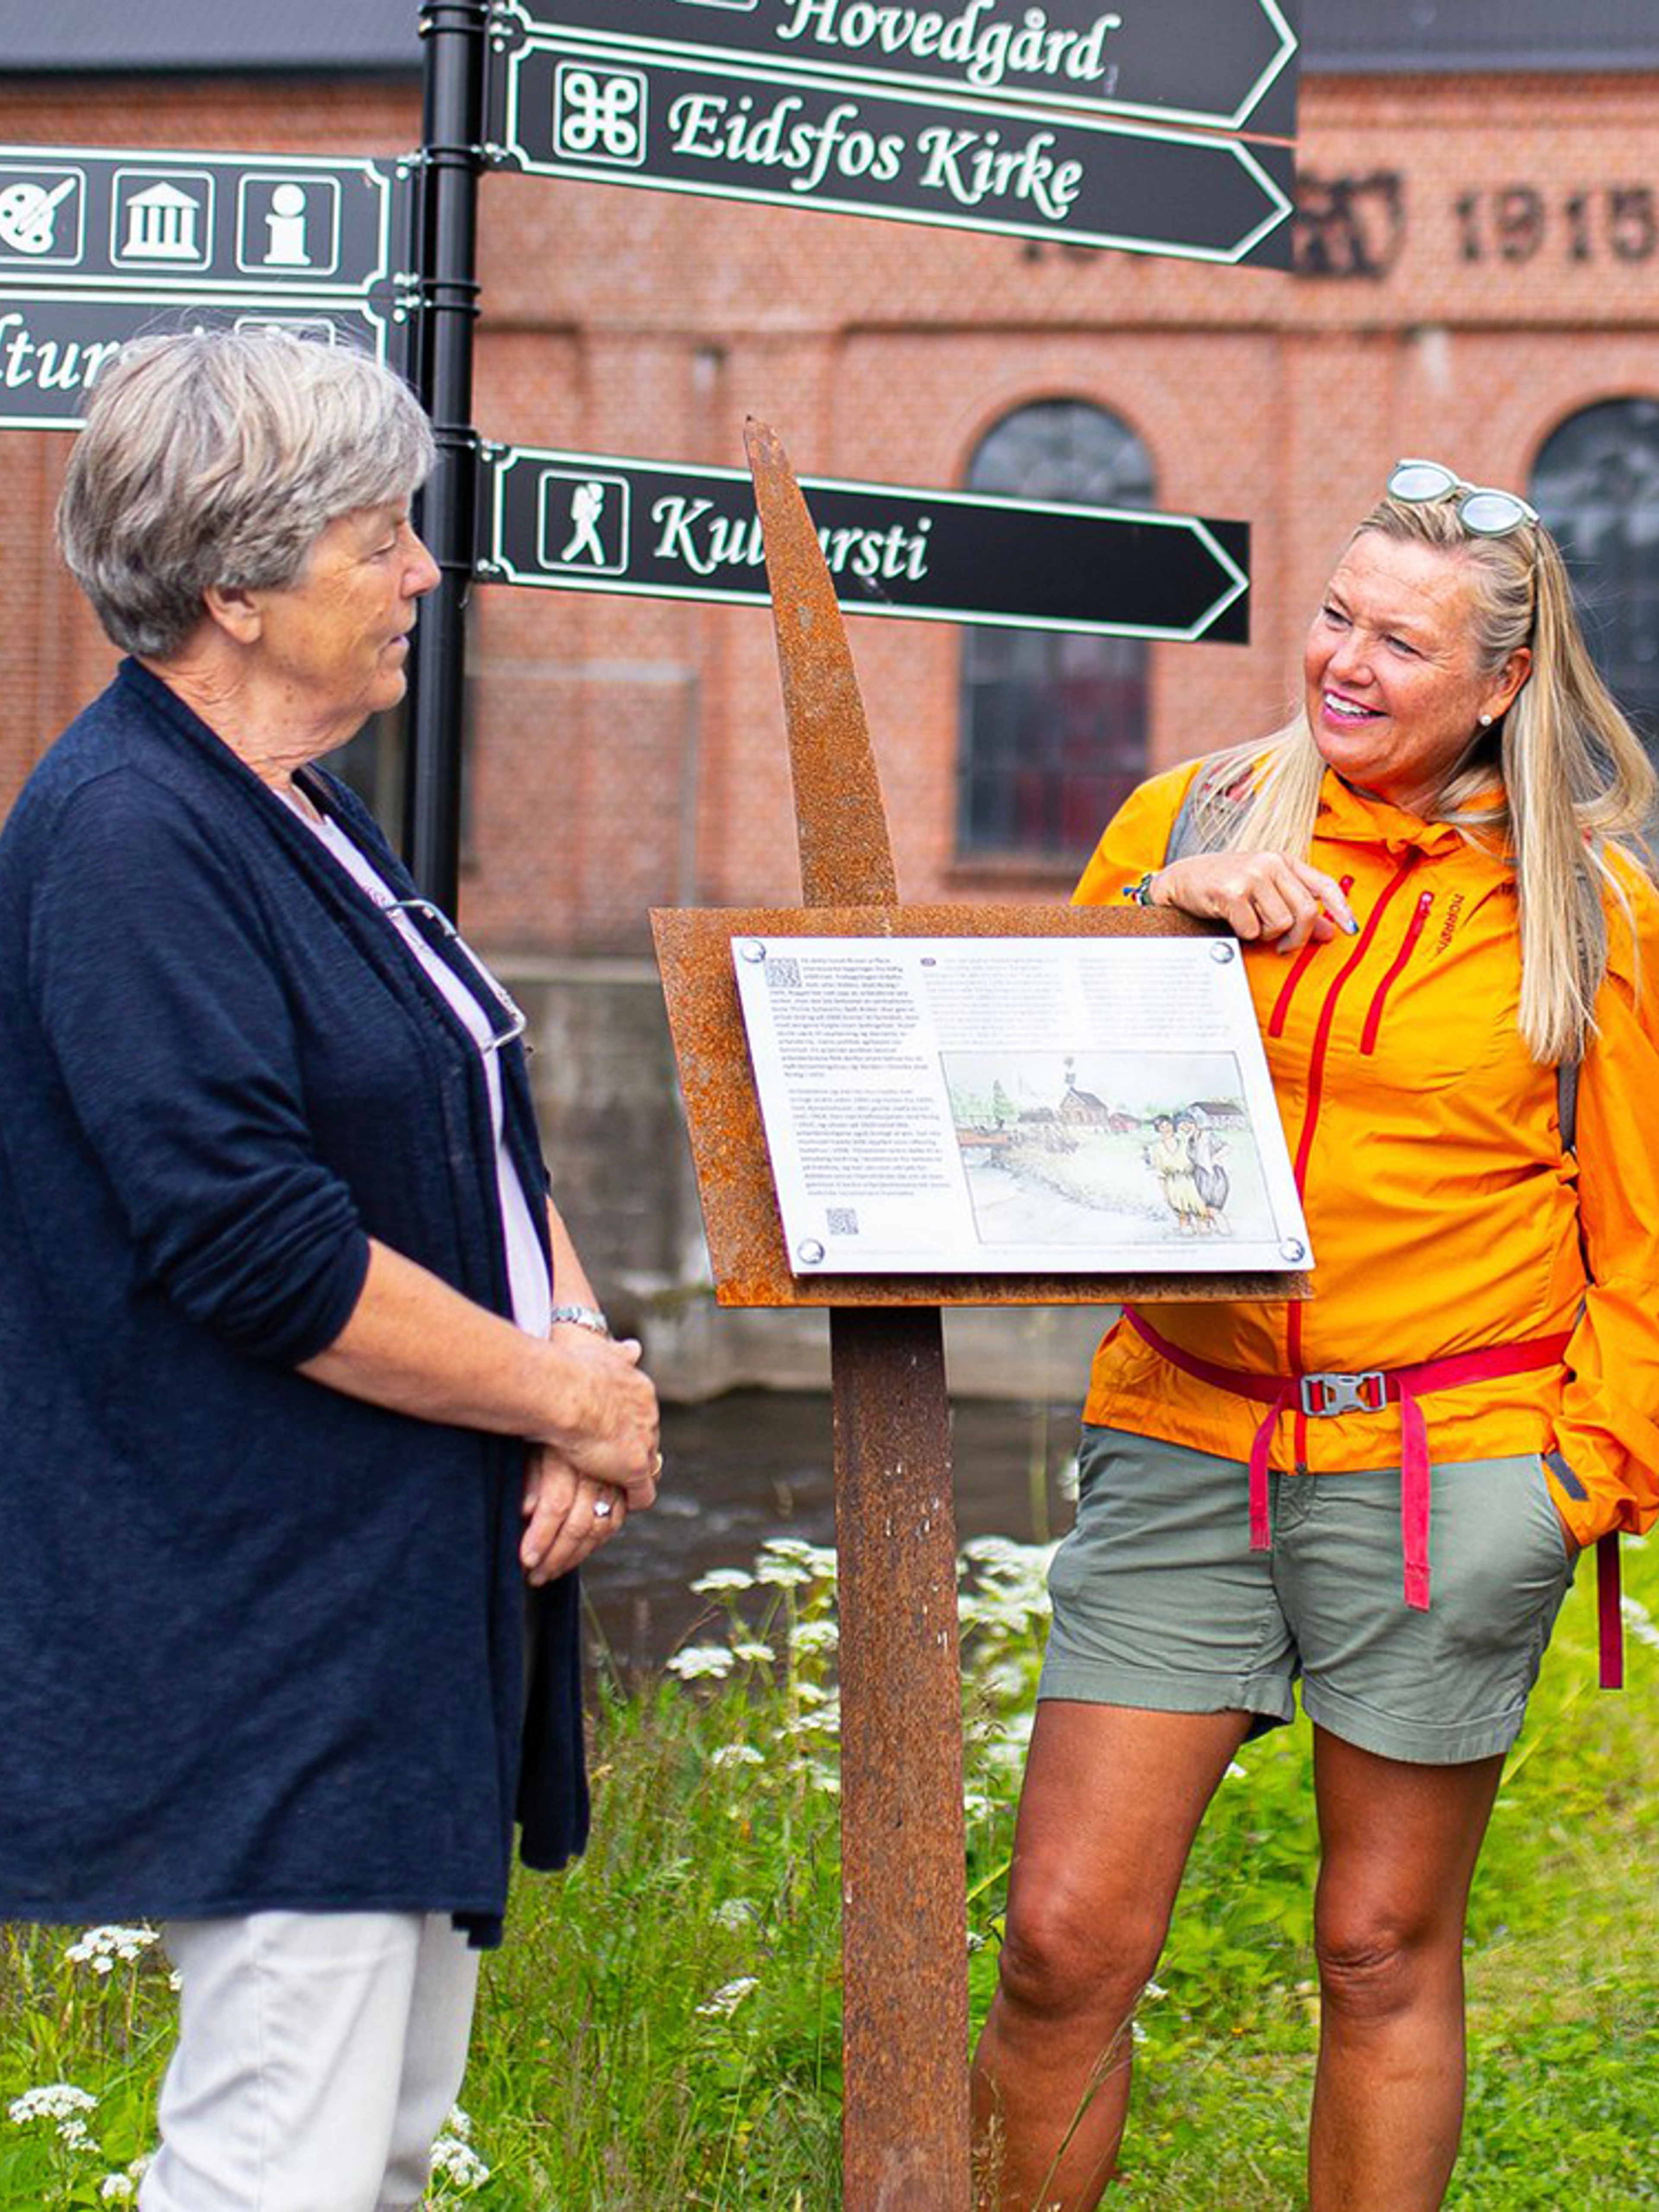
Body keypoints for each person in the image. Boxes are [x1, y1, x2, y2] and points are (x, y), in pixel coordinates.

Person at [0, 330, 662, 2212]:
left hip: (376, 1616)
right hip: (258, 1621)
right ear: (236, 582)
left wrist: (582, 1336)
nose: (424, 575)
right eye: (382, 540)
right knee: (274, 2158)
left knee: (368, 2145)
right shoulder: (132, 836)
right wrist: (569, 1400)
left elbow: (463, 1114)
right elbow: (254, 1239)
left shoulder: (295, 804)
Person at [971, 461, 1659, 2209]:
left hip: (1452, 1471)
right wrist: (1164, 920)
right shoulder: (1187, 816)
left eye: (1401, 641)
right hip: (1190, 1439)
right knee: (1060, 1938)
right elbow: (1017, 1110)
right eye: (1335, 616)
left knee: (1375, 1948)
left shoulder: (1591, 912)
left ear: (1502, 682)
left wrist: (1577, 1477)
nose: (1344, 662)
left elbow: (1645, 1240)